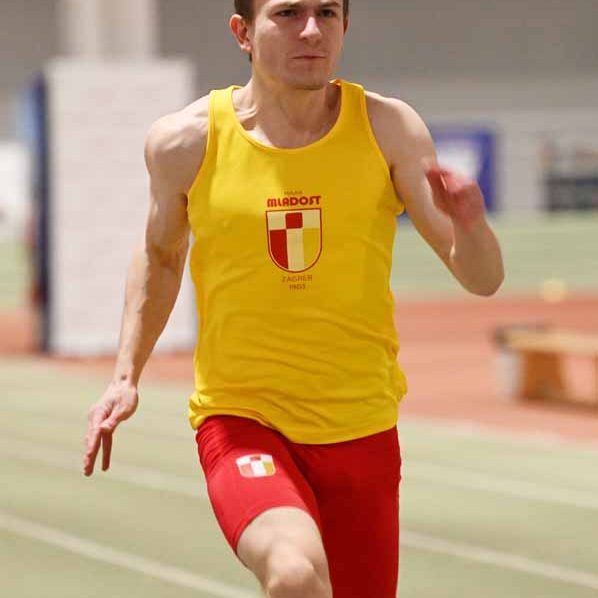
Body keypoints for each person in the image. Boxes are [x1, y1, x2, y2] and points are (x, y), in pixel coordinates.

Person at [83, 1, 504, 596]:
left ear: (345, 27)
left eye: (327, 13)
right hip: (243, 420)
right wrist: (126, 376)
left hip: (361, 427)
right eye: (287, 13)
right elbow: (161, 255)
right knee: (294, 572)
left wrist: (471, 225)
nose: (311, 30)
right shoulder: (187, 142)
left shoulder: (388, 129)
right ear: (242, 32)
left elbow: (480, 277)